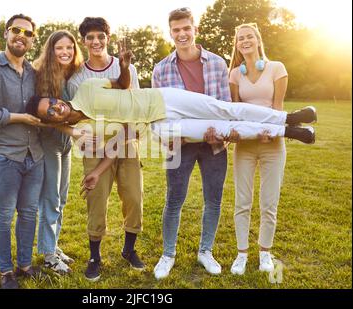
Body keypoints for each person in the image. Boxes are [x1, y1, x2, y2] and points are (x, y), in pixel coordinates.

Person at [150, 7, 234, 279]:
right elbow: (156, 113)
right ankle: (168, 254)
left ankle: (205, 251)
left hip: (214, 144)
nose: (182, 34)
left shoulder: (217, 63)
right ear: (170, 33)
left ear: (195, 29)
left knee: (214, 199)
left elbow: (225, 106)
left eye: (186, 28)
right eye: (176, 30)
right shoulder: (161, 70)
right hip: (179, 145)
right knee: (174, 200)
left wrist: (218, 132)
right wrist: (173, 137)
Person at [66, 17, 145, 282]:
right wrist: (80, 138)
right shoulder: (77, 77)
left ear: (107, 38)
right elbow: (76, 115)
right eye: (90, 37)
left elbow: (134, 105)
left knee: (134, 196)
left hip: (126, 142)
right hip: (97, 144)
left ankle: (129, 249)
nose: (96, 41)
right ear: (84, 41)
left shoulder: (126, 69)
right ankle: (94, 256)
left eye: (100, 36)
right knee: (96, 199)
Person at [0, 14, 45, 289]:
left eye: (27, 33)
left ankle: (25, 265)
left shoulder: (34, 74)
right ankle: (6, 272)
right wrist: (17, 117)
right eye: (16, 30)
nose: (21, 36)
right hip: (5, 156)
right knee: (2, 216)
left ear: (32, 39)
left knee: (29, 214)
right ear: (6, 33)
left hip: (34, 156)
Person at [27, 77, 316, 143]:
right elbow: (123, 138)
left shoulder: (86, 88)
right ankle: (288, 132)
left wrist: (126, 63)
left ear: (56, 97)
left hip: (163, 99)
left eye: (51, 102)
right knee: (221, 131)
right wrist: (57, 126)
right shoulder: (84, 130)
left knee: (224, 110)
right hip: (158, 127)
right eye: (49, 112)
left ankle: (287, 116)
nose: (55, 108)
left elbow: (122, 82)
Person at [227, 23, 292, 275]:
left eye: (249, 36)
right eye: (240, 38)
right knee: (242, 201)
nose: (245, 41)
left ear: (257, 39)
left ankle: (265, 252)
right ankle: (241, 254)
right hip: (245, 146)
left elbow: (278, 108)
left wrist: (270, 131)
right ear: (236, 44)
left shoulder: (277, 68)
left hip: (273, 144)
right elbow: (235, 111)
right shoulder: (234, 74)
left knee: (269, 202)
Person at [32, 30, 84, 275]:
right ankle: (48, 255)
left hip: (66, 145)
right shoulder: (43, 76)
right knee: (50, 199)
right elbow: (43, 117)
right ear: (51, 50)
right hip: (50, 142)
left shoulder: (73, 75)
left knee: (61, 199)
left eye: (69, 48)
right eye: (60, 48)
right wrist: (72, 131)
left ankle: (53, 245)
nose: (65, 52)